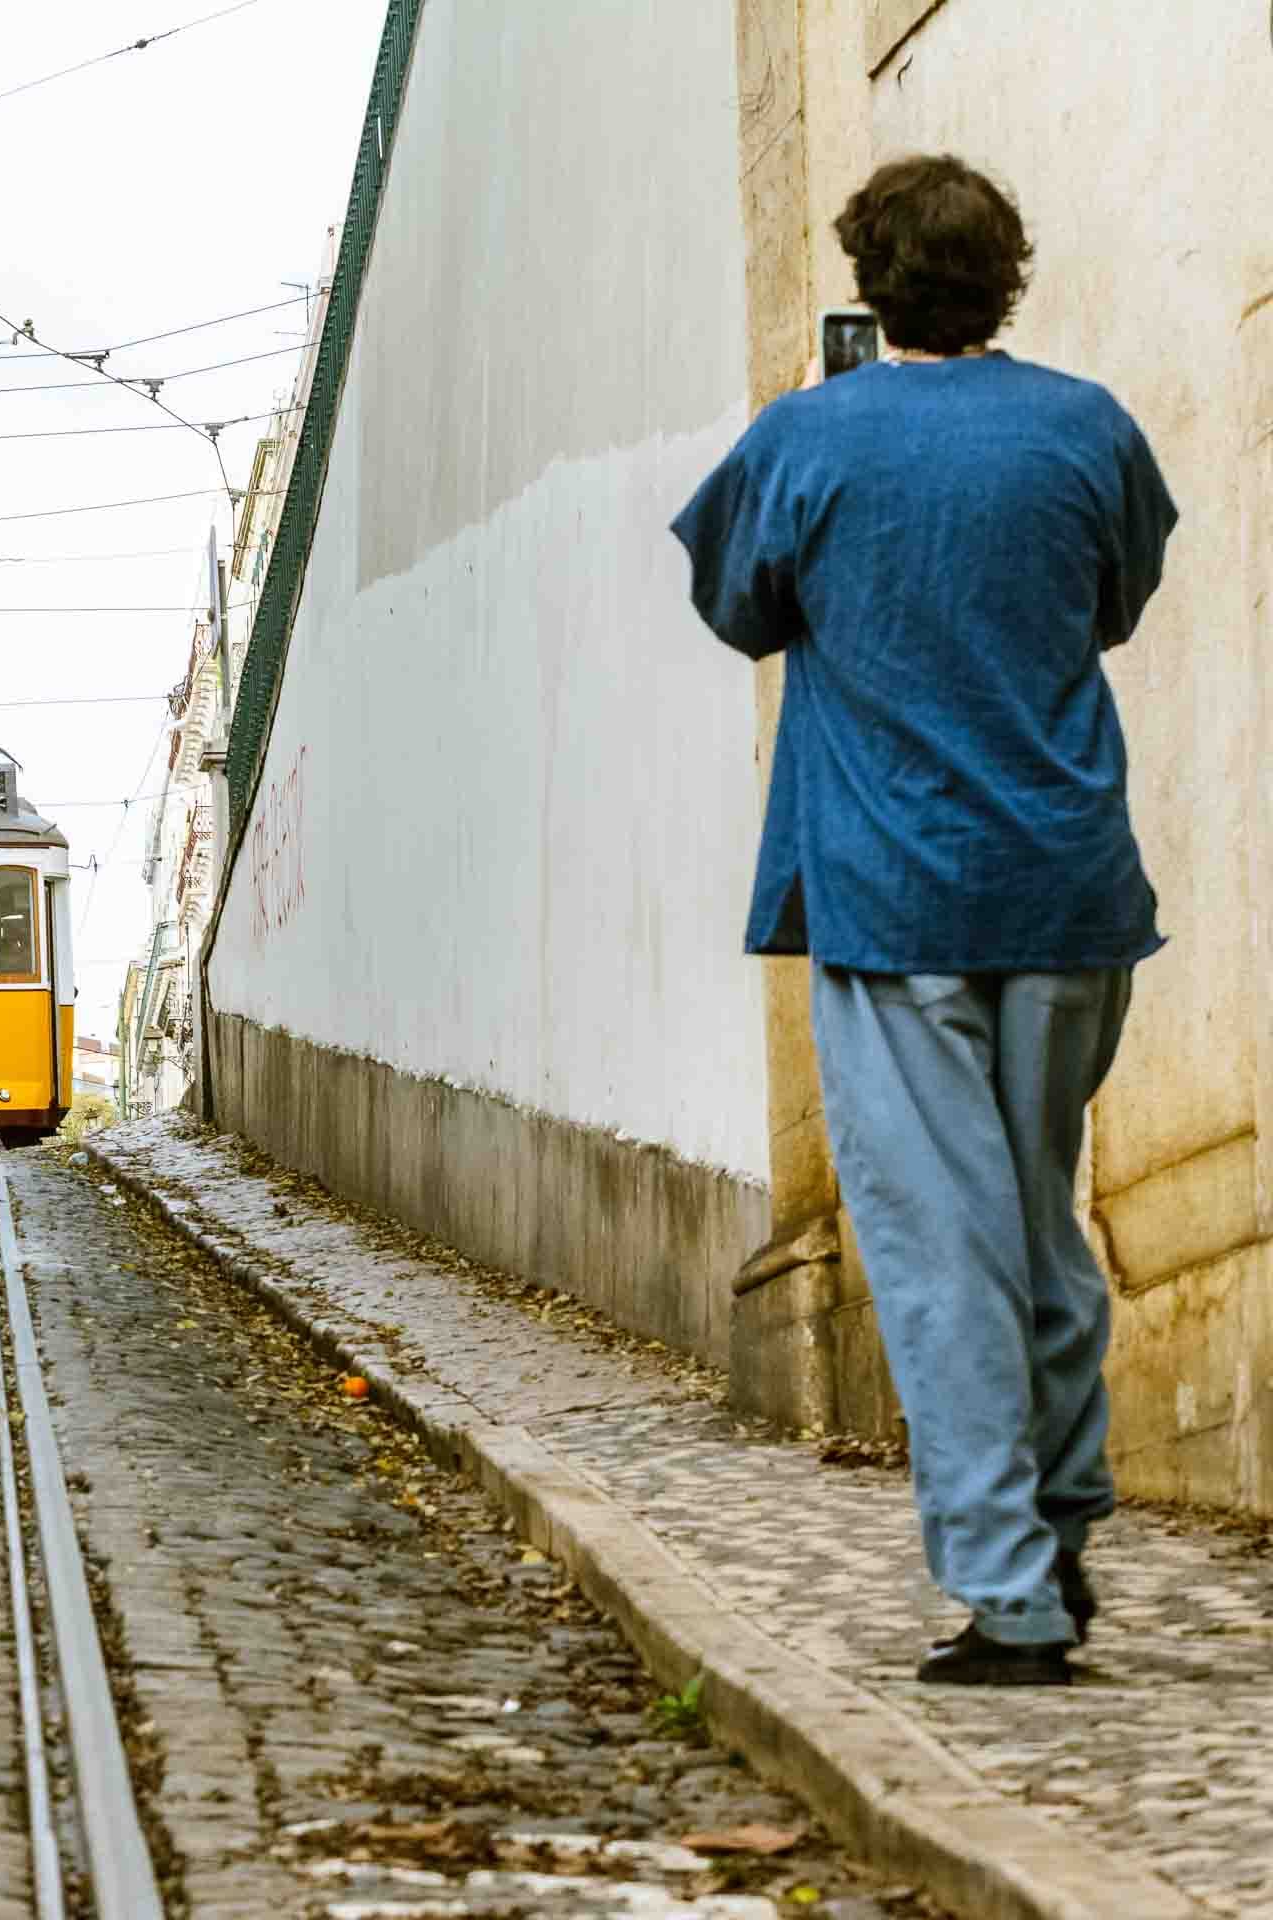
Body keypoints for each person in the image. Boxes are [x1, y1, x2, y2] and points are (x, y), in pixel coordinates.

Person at [670, 154, 1176, 1687]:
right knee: (1035, 1216)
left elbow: (737, 608)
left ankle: (1015, 1595)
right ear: (1007, 277)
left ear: (869, 282)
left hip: (898, 901)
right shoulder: (1090, 428)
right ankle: (1064, 1520)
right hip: (1072, 888)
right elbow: (1117, 599)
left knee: (941, 1248)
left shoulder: (807, 439)